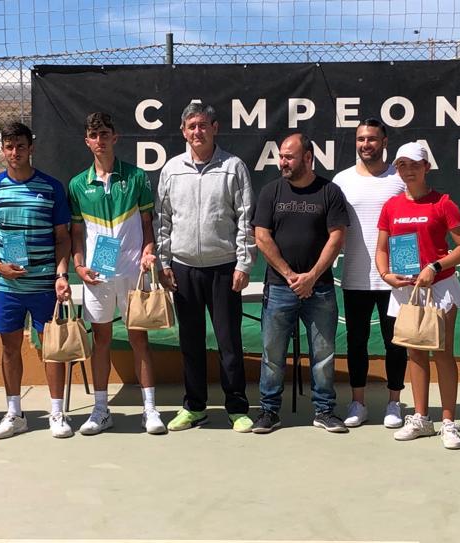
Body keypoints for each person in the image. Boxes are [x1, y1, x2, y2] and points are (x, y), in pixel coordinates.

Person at [157, 102, 256, 433]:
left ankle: (237, 408)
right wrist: (164, 261)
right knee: (191, 342)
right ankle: (195, 407)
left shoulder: (233, 167)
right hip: (184, 269)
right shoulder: (171, 169)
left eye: (203, 125)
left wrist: (244, 263)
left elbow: (245, 218)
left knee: (229, 342)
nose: (197, 131)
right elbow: (163, 219)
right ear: (183, 131)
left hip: (224, 268)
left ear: (215, 127)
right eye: (191, 126)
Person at [67, 112, 165, 435]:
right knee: (102, 341)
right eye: (94, 135)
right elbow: (77, 234)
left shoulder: (136, 177)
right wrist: (79, 265)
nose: (100, 140)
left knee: (139, 338)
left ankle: (150, 410)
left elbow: (149, 225)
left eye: (105, 134)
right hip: (97, 275)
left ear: (115, 137)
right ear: (87, 141)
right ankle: (100, 410)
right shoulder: (77, 185)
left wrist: (149, 250)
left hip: (133, 272)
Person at [0, 122, 74, 439]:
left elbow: (63, 238)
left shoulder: (51, 187)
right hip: (6, 288)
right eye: (9, 146)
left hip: (45, 285)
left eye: (20, 146)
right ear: (3, 149)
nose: (14, 152)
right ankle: (15, 413)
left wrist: (61, 274)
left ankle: (57, 413)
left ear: (30, 148)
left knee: (51, 349)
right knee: (9, 348)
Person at [375, 142, 460, 450]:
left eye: (414, 164)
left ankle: (448, 423)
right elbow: (381, 249)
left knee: (442, 352)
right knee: (414, 352)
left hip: (440, 288)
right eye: (402, 164)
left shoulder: (443, 203)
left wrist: (435, 265)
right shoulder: (392, 206)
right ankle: (420, 418)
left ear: (426, 167)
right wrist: (386, 274)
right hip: (406, 289)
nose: (408, 170)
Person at [250, 133, 349, 433]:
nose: (283, 162)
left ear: (308, 158)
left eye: (289, 157)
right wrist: (290, 275)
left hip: (319, 288)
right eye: (281, 156)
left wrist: (312, 276)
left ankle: (324, 411)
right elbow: (261, 236)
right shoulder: (271, 191)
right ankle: (269, 412)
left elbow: (337, 238)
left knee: (323, 353)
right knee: (272, 354)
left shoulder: (329, 192)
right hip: (280, 288)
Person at [333, 119, 408, 429]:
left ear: (384, 141)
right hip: (355, 277)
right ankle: (358, 402)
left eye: (372, 139)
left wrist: (404, 271)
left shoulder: (400, 179)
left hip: (394, 280)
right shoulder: (341, 180)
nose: (366, 144)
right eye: (361, 139)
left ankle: (394, 403)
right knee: (356, 342)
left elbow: (408, 226)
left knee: (396, 342)